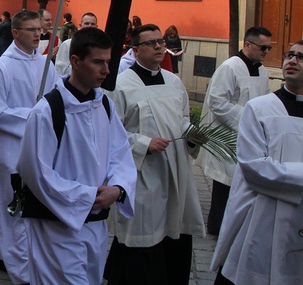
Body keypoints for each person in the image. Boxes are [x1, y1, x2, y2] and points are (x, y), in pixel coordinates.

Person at [17, 27, 136, 284]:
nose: (106, 70)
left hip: (95, 224)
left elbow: (120, 153)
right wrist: (86, 196)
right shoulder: (47, 111)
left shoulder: (104, 104)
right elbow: (36, 173)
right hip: (56, 225)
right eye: (98, 62)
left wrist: (118, 187)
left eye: (108, 62)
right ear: (75, 61)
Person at [104, 24, 204, 285]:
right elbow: (109, 133)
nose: (159, 46)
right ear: (135, 50)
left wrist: (192, 133)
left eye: (160, 41)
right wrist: (143, 143)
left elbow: (181, 118)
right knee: (143, 233)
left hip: (176, 171)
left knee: (175, 230)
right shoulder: (121, 85)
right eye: (151, 43)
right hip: (144, 173)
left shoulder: (173, 81)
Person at [210, 41, 303, 285]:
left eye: (301, 57)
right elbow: (254, 168)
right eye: (290, 55)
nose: (292, 60)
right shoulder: (260, 108)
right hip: (262, 216)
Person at [0, 9, 58, 283]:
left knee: (25, 205)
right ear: (16, 33)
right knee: (13, 206)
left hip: (37, 145)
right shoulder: (2, 66)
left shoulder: (47, 64)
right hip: (8, 146)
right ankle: (22, 270)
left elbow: (57, 97)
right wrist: (35, 115)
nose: (38, 33)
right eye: (31, 29)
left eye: (39, 29)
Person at [197, 26, 271, 236]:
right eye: (262, 47)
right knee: (224, 184)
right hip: (229, 135)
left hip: (251, 135)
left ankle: (237, 224)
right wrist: (248, 120)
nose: (266, 52)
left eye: (268, 49)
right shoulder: (230, 67)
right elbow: (217, 102)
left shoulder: (263, 70)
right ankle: (217, 226)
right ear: (248, 44)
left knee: (243, 183)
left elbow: (265, 100)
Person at [55, 12, 98, 77]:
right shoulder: (67, 44)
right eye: (86, 23)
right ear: (80, 26)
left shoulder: (99, 47)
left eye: (92, 24)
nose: (89, 26)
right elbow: (60, 69)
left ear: (96, 27)